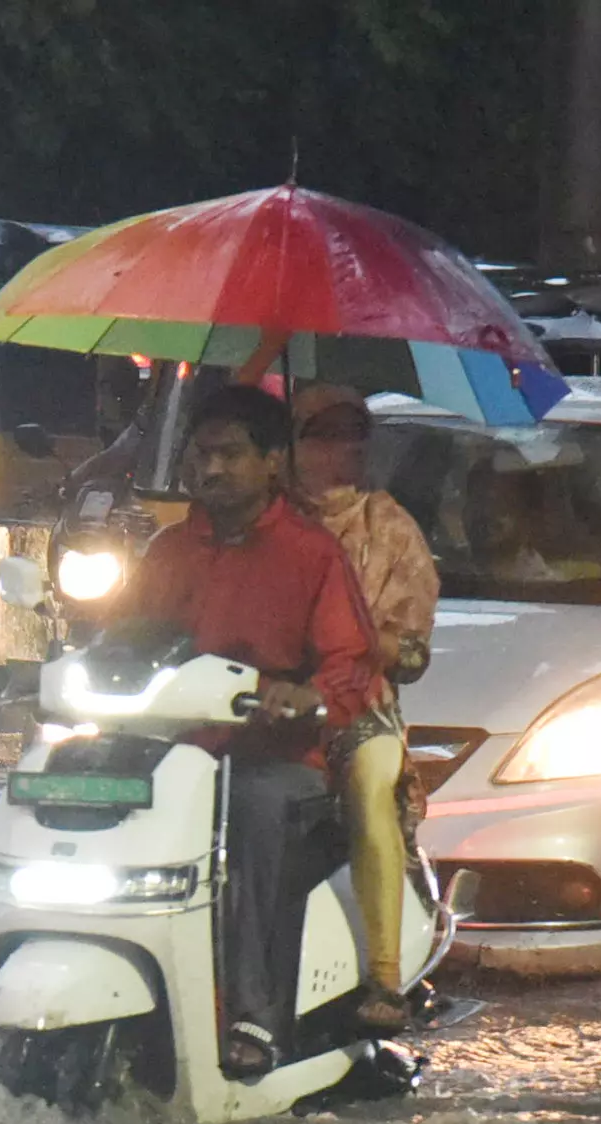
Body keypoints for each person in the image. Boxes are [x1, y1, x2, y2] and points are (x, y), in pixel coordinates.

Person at [125, 384, 379, 1079]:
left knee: (256, 811)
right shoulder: (169, 550)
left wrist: (307, 696)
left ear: (272, 463)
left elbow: (352, 663)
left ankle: (255, 1015)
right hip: (173, 750)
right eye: (201, 455)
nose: (210, 471)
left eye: (229, 455)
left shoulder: (312, 555)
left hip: (275, 760)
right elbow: (124, 644)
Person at [292, 383, 438, 1033]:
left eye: (353, 433)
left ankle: (383, 975)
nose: (342, 449)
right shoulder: (259, 523)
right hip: (250, 703)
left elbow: (411, 653)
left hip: (356, 707)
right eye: (322, 434)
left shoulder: (387, 527)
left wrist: (359, 639)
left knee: (370, 790)